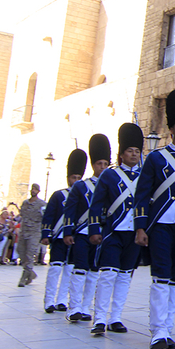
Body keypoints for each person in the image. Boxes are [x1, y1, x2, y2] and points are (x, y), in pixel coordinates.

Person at [134, 89, 175, 349]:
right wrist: (140, 226)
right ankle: (157, 331)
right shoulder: (156, 158)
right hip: (160, 224)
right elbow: (142, 194)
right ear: (171, 129)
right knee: (161, 276)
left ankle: (167, 329)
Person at [88, 123, 143, 335]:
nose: (134, 154)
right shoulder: (109, 176)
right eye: (130, 150)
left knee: (124, 276)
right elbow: (97, 204)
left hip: (134, 234)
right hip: (113, 232)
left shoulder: (144, 176)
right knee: (108, 275)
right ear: (121, 154)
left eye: (137, 151)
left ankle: (116, 318)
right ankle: (99, 319)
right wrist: (94, 229)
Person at [63, 134, 111, 323]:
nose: (103, 167)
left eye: (106, 164)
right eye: (99, 163)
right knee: (80, 269)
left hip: (101, 234)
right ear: (93, 165)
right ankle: (73, 307)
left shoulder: (111, 186)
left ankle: (85, 308)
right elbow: (70, 210)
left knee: (94, 271)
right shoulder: (81, 186)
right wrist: (68, 231)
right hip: (83, 233)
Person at [41, 149, 87, 313]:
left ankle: (62, 300)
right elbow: (49, 216)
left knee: (69, 270)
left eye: (78, 178)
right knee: (55, 269)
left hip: (74, 236)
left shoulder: (84, 197)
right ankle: (49, 300)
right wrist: (46, 234)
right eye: (73, 177)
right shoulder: (58, 195)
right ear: (68, 178)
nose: (76, 181)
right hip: (59, 237)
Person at [17, 184, 46, 286]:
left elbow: (45, 217)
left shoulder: (42, 204)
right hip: (24, 231)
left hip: (34, 232)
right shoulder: (25, 203)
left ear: (38, 191)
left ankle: (23, 277)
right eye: (32, 189)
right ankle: (30, 273)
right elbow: (22, 215)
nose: (33, 191)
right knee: (20, 252)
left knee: (30, 254)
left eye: (35, 189)